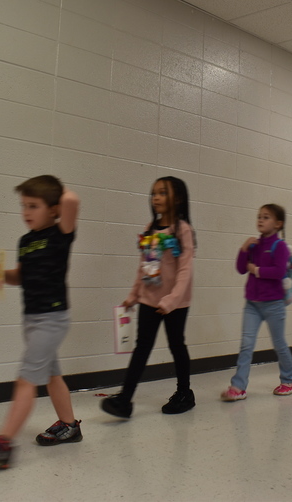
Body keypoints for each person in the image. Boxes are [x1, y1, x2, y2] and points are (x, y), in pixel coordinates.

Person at [0, 175, 81, 469]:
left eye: (34, 205)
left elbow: (72, 200)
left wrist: (58, 194)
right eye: (23, 205)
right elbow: (21, 276)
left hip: (52, 318)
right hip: (33, 319)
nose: (26, 212)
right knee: (52, 375)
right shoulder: (26, 241)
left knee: (26, 380)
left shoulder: (61, 234)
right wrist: (1, 274)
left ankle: (3, 443)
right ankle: (70, 426)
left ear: (54, 209)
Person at [101, 176, 196, 418]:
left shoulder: (183, 230)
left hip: (175, 303)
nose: (156, 198)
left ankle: (184, 393)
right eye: (154, 193)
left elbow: (185, 270)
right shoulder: (149, 229)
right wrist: (134, 295)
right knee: (142, 347)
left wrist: (172, 300)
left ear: (179, 198)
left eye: (163, 193)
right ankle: (125, 399)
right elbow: (145, 266)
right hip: (149, 299)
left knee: (177, 345)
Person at [220, 204, 292, 401]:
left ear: (278, 224)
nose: (260, 220)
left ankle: (290, 379)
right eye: (259, 217)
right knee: (246, 345)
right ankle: (238, 387)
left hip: (274, 304)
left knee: (279, 344)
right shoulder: (254, 245)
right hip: (252, 304)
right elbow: (240, 268)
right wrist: (243, 249)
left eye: (266, 217)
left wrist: (256, 270)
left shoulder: (279, 246)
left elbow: (279, 272)